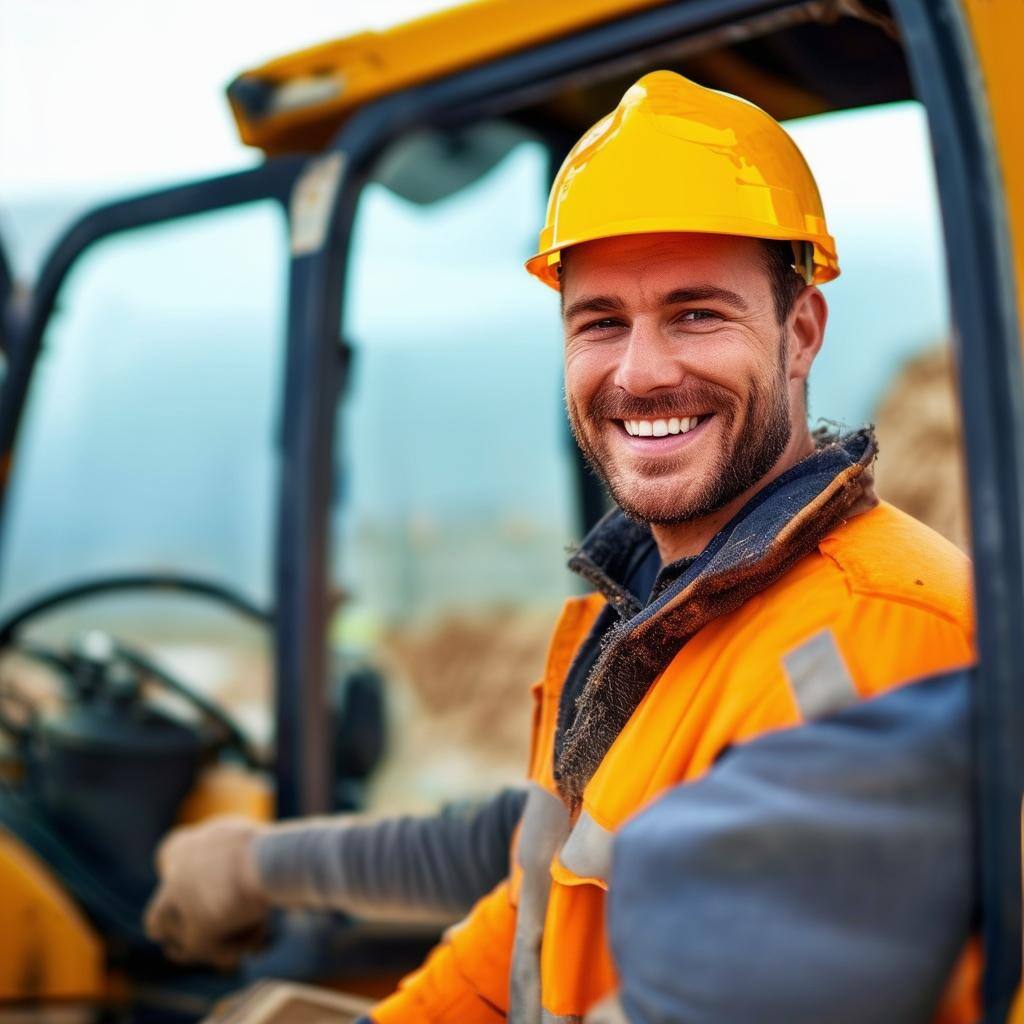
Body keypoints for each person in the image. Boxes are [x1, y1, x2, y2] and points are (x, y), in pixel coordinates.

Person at [146, 71, 977, 1022]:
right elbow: (552, 863)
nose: (642, 372)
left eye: (696, 312)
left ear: (800, 331)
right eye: (601, 324)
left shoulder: (872, 641)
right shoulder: (672, 606)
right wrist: (264, 866)